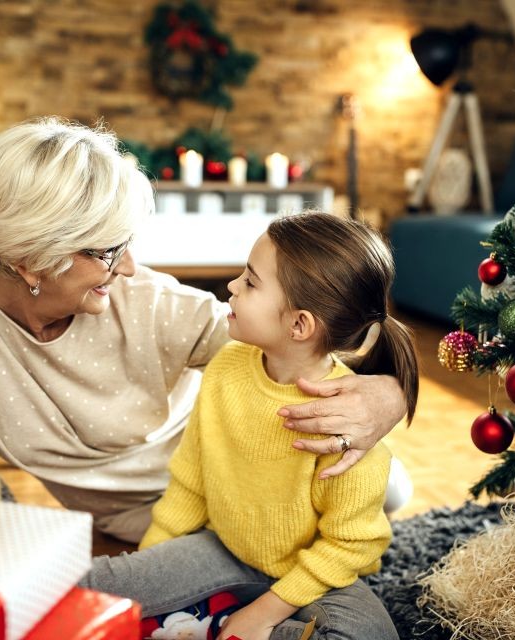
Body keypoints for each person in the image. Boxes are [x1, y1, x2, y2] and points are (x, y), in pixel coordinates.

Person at [0, 117, 408, 544]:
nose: (128, 266)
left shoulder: (151, 302)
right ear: (31, 259)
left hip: (238, 485)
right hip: (140, 521)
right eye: (108, 250)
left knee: (390, 488)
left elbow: (312, 343)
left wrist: (388, 392)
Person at [80, 212, 418, 640]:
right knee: (94, 586)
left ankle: (218, 623)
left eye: (251, 282)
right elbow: (191, 480)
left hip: (312, 574)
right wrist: (151, 569)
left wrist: (265, 613)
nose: (232, 287)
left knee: (370, 634)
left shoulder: (345, 417)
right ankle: (211, 620)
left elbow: (350, 544)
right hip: (223, 549)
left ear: (299, 324)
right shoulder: (226, 368)